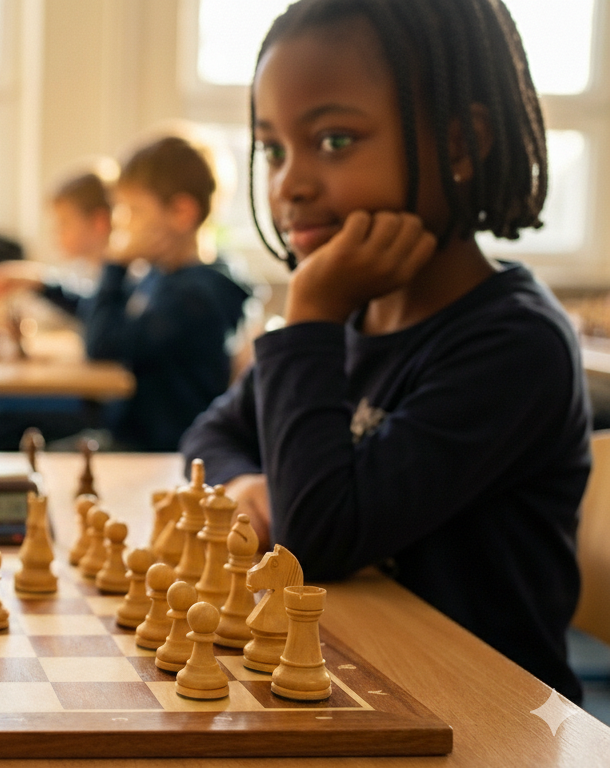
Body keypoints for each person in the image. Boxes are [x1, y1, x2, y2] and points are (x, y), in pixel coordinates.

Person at [178, 0, 588, 703]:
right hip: (352, 683)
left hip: (480, 721)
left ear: (460, 145)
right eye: (273, 149)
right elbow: (210, 434)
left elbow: (319, 535)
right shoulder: (354, 317)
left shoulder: (514, 345)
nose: (289, 184)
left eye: (334, 140)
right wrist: (247, 484)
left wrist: (307, 315)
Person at [82, 136, 251, 452]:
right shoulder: (164, 275)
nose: (123, 224)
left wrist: (115, 265)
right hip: (134, 438)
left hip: (162, 452)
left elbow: (102, 344)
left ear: (181, 212)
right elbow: (106, 318)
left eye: (133, 211)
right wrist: (44, 286)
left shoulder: (196, 296)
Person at [0, 168, 114, 322]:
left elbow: (92, 314)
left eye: (64, 223)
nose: (55, 232)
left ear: (99, 222)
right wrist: (34, 279)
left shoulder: (120, 280)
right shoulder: (87, 269)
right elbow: (82, 304)